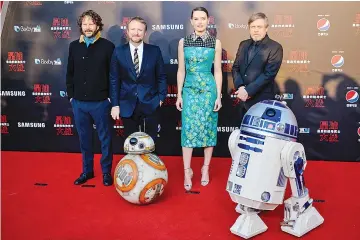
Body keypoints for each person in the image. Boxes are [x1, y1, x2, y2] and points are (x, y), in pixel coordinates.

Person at [176, 7, 222, 191]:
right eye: (196, 19)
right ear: (191, 21)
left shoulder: (215, 42)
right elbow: (181, 70)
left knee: (208, 128)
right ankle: (187, 171)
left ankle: (205, 168)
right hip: (189, 90)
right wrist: (179, 94)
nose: (200, 22)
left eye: (203, 18)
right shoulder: (183, 42)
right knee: (187, 130)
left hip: (208, 90)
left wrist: (218, 95)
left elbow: (217, 71)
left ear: (208, 20)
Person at [66, 10, 115, 186]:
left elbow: (113, 75)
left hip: (101, 102)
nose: (88, 27)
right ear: (81, 26)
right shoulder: (74, 46)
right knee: (84, 139)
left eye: (91, 23)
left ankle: (106, 173)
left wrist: (110, 99)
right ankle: (87, 171)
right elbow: (69, 73)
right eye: (85, 24)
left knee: (105, 139)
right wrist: (71, 97)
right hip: (79, 102)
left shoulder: (108, 46)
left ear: (97, 26)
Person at [109, 16, 167, 144]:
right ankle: (133, 165)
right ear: (127, 32)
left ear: (145, 33)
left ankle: (149, 164)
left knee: (150, 144)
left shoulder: (154, 51)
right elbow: (114, 79)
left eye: (140, 30)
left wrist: (161, 98)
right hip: (127, 103)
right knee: (131, 144)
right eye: (133, 29)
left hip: (150, 102)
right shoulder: (118, 51)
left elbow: (161, 76)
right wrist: (115, 104)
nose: (136, 32)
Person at [232, 12, 283, 110]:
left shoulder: (275, 47)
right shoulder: (243, 44)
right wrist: (240, 87)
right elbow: (236, 68)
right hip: (241, 99)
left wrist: (248, 90)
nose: (255, 30)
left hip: (262, 100)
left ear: (266, 28)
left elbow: (269, 74)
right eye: (253, 27)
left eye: (259, 27)